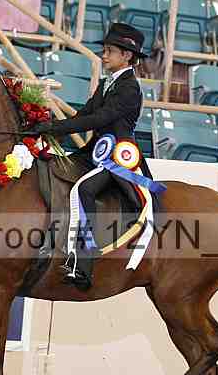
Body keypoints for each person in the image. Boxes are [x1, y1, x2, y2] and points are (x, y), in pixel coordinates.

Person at [32, 22, 150, 290]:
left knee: (83, 190)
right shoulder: (108, 83)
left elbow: (100, 118)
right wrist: (51, 127)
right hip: (95, 151)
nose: (103, 56)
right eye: (104, 50)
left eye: (109, 51)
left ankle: (83, 263)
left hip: (118, 157)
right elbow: (85, 113)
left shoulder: (129, 88)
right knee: (54, 167)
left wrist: (55, 128)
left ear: (126, 55)